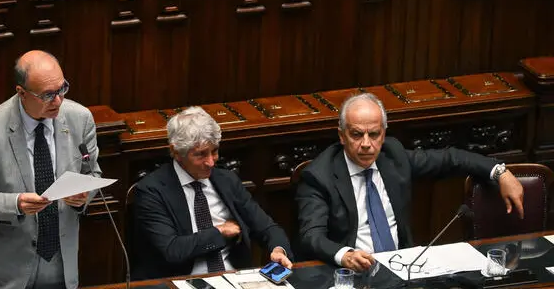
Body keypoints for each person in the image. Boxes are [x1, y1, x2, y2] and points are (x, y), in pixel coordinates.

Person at [295, 93, 524, 272]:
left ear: (383, 134)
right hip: (351, 274)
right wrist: (344, 255)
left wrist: (499, 172)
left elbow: (451, 159)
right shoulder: (319, 176)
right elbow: (311, 236)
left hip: (402, 267)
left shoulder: (393, 156)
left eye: (373, 134)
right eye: (356, 134)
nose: (366, 144)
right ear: (341, 135)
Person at [0, 50, 102, 289]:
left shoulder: (80, 119)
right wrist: (15, 204)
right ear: (21, 93)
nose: (58, 101)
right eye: (47, 95)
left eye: (62, 89)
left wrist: (83, 196)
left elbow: (92, 173)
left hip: (62, 265)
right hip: (6, 273)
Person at [133, 106, 293, 279]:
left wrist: (278, 249)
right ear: (176, 152)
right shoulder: (151, 190)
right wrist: (219, 232)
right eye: (201, 155)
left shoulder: (226, 180)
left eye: (214, 151)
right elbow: (173, 249)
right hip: (182, 280)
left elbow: (267, 227)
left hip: (233, 277)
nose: (210, 162)